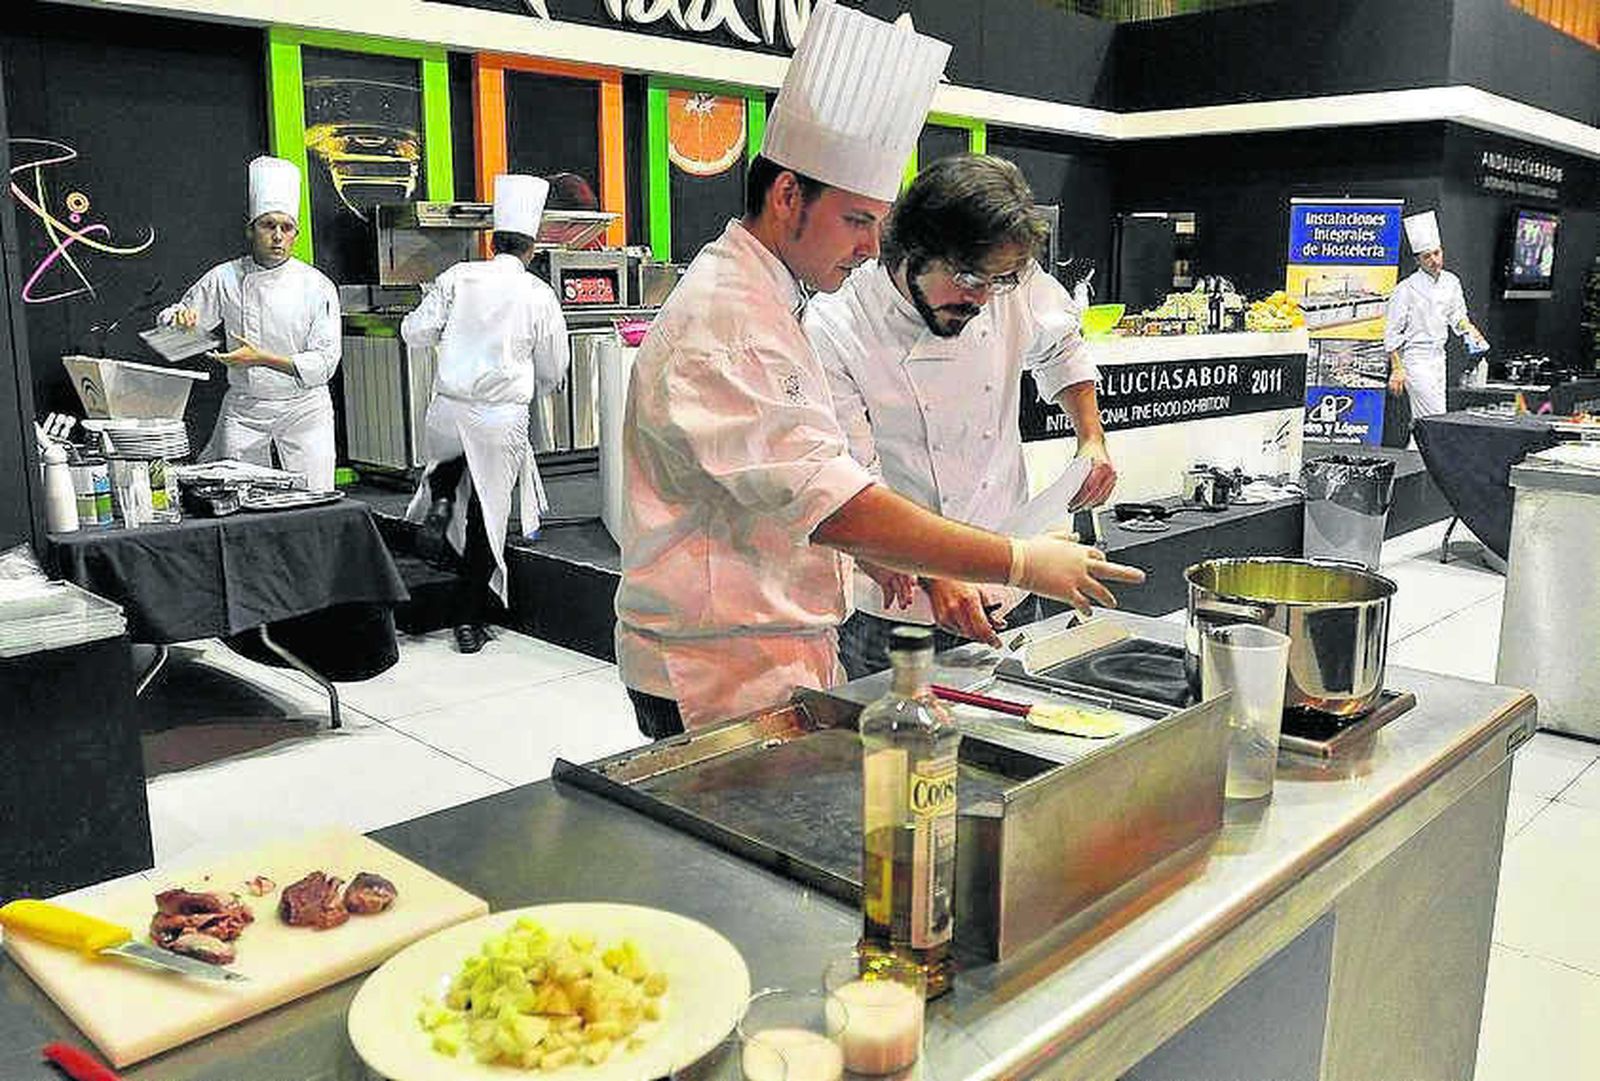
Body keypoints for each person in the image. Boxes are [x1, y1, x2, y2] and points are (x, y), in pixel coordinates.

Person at [614, 1, 1144, 739]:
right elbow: (835, 499)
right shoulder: (733, 322)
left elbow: (812, 479)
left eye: (875, 223)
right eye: (858, 221)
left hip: (774, 643)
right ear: (787, 194)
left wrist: (1081, 449)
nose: (869, 249)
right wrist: (1020, 560)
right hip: (718, 663)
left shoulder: (770, 296)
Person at [806, 154, 1118, 679]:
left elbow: (1062, 345)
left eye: (996, 282)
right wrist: (935, 573)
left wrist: (1092, 439)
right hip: (897, 605)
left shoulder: (1006, 285)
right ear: (912, 249)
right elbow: (855, 484)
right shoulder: (837, 324)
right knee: (898, 754)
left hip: (1010, 585)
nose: (980, 298)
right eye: (969, 277)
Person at [401, 175, 570, 654]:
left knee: (449, 475)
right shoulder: (538, 293)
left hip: (449, 410)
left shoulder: (458, 276)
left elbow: (414, 333)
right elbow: (554, 364)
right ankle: (468, 619)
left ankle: (439, 496)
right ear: (531, 248)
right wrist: (541, 382)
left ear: (490, 240)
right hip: (499, 417)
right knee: (486, 517)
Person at [161, 156, 341, 491]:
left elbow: (324, 364)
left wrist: (260, 358)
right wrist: (180, 321)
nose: (277, 236)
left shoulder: (316, 286)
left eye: (286, 228)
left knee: (315, 497)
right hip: (246, 407)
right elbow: (176, 335)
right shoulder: (225, 277)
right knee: (240, 499)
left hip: (305, 409)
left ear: (295, 235)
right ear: (250, 229)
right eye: (267, 225)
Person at [1385, 210, 1488, 421]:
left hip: (1439, 358)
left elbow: (1457, 316)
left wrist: (1469, 329)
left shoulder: (1451, 281)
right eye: (1427, 256)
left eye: (1437, 253)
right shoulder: (1406, 289)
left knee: (1427, 420)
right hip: (1415, 359)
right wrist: (1397, 368)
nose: (1434, 260)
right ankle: (1425, 453)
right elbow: (1392, 332)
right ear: (1418, 260)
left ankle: (1416, 452)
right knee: (1434, 418)